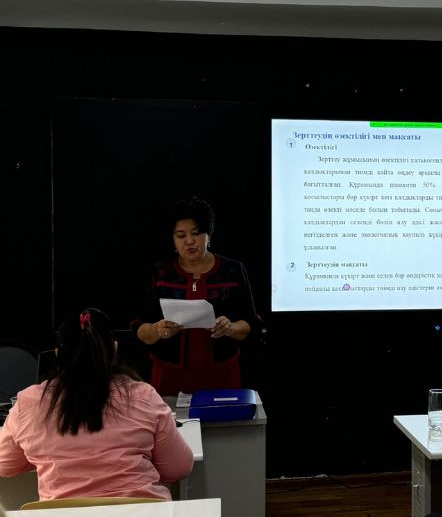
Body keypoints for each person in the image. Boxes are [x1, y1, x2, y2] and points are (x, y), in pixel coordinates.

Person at [0, 308, 193, 500]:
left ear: (58, 353)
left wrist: (47, 454)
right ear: (114, 349)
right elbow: (178, 468)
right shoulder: (144, 396)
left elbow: (5, 465)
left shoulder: (29, 402)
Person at [134, 196, 258, 395]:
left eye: (196, 233)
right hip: (169, 376)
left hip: (221, 374)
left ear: (209, 235)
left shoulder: (232, 270)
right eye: (181, 235)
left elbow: (250, 324)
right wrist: (158, 329)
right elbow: (140, 329)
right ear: (173, 239)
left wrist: (230, 328)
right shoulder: (160, 272)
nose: (189, 241)